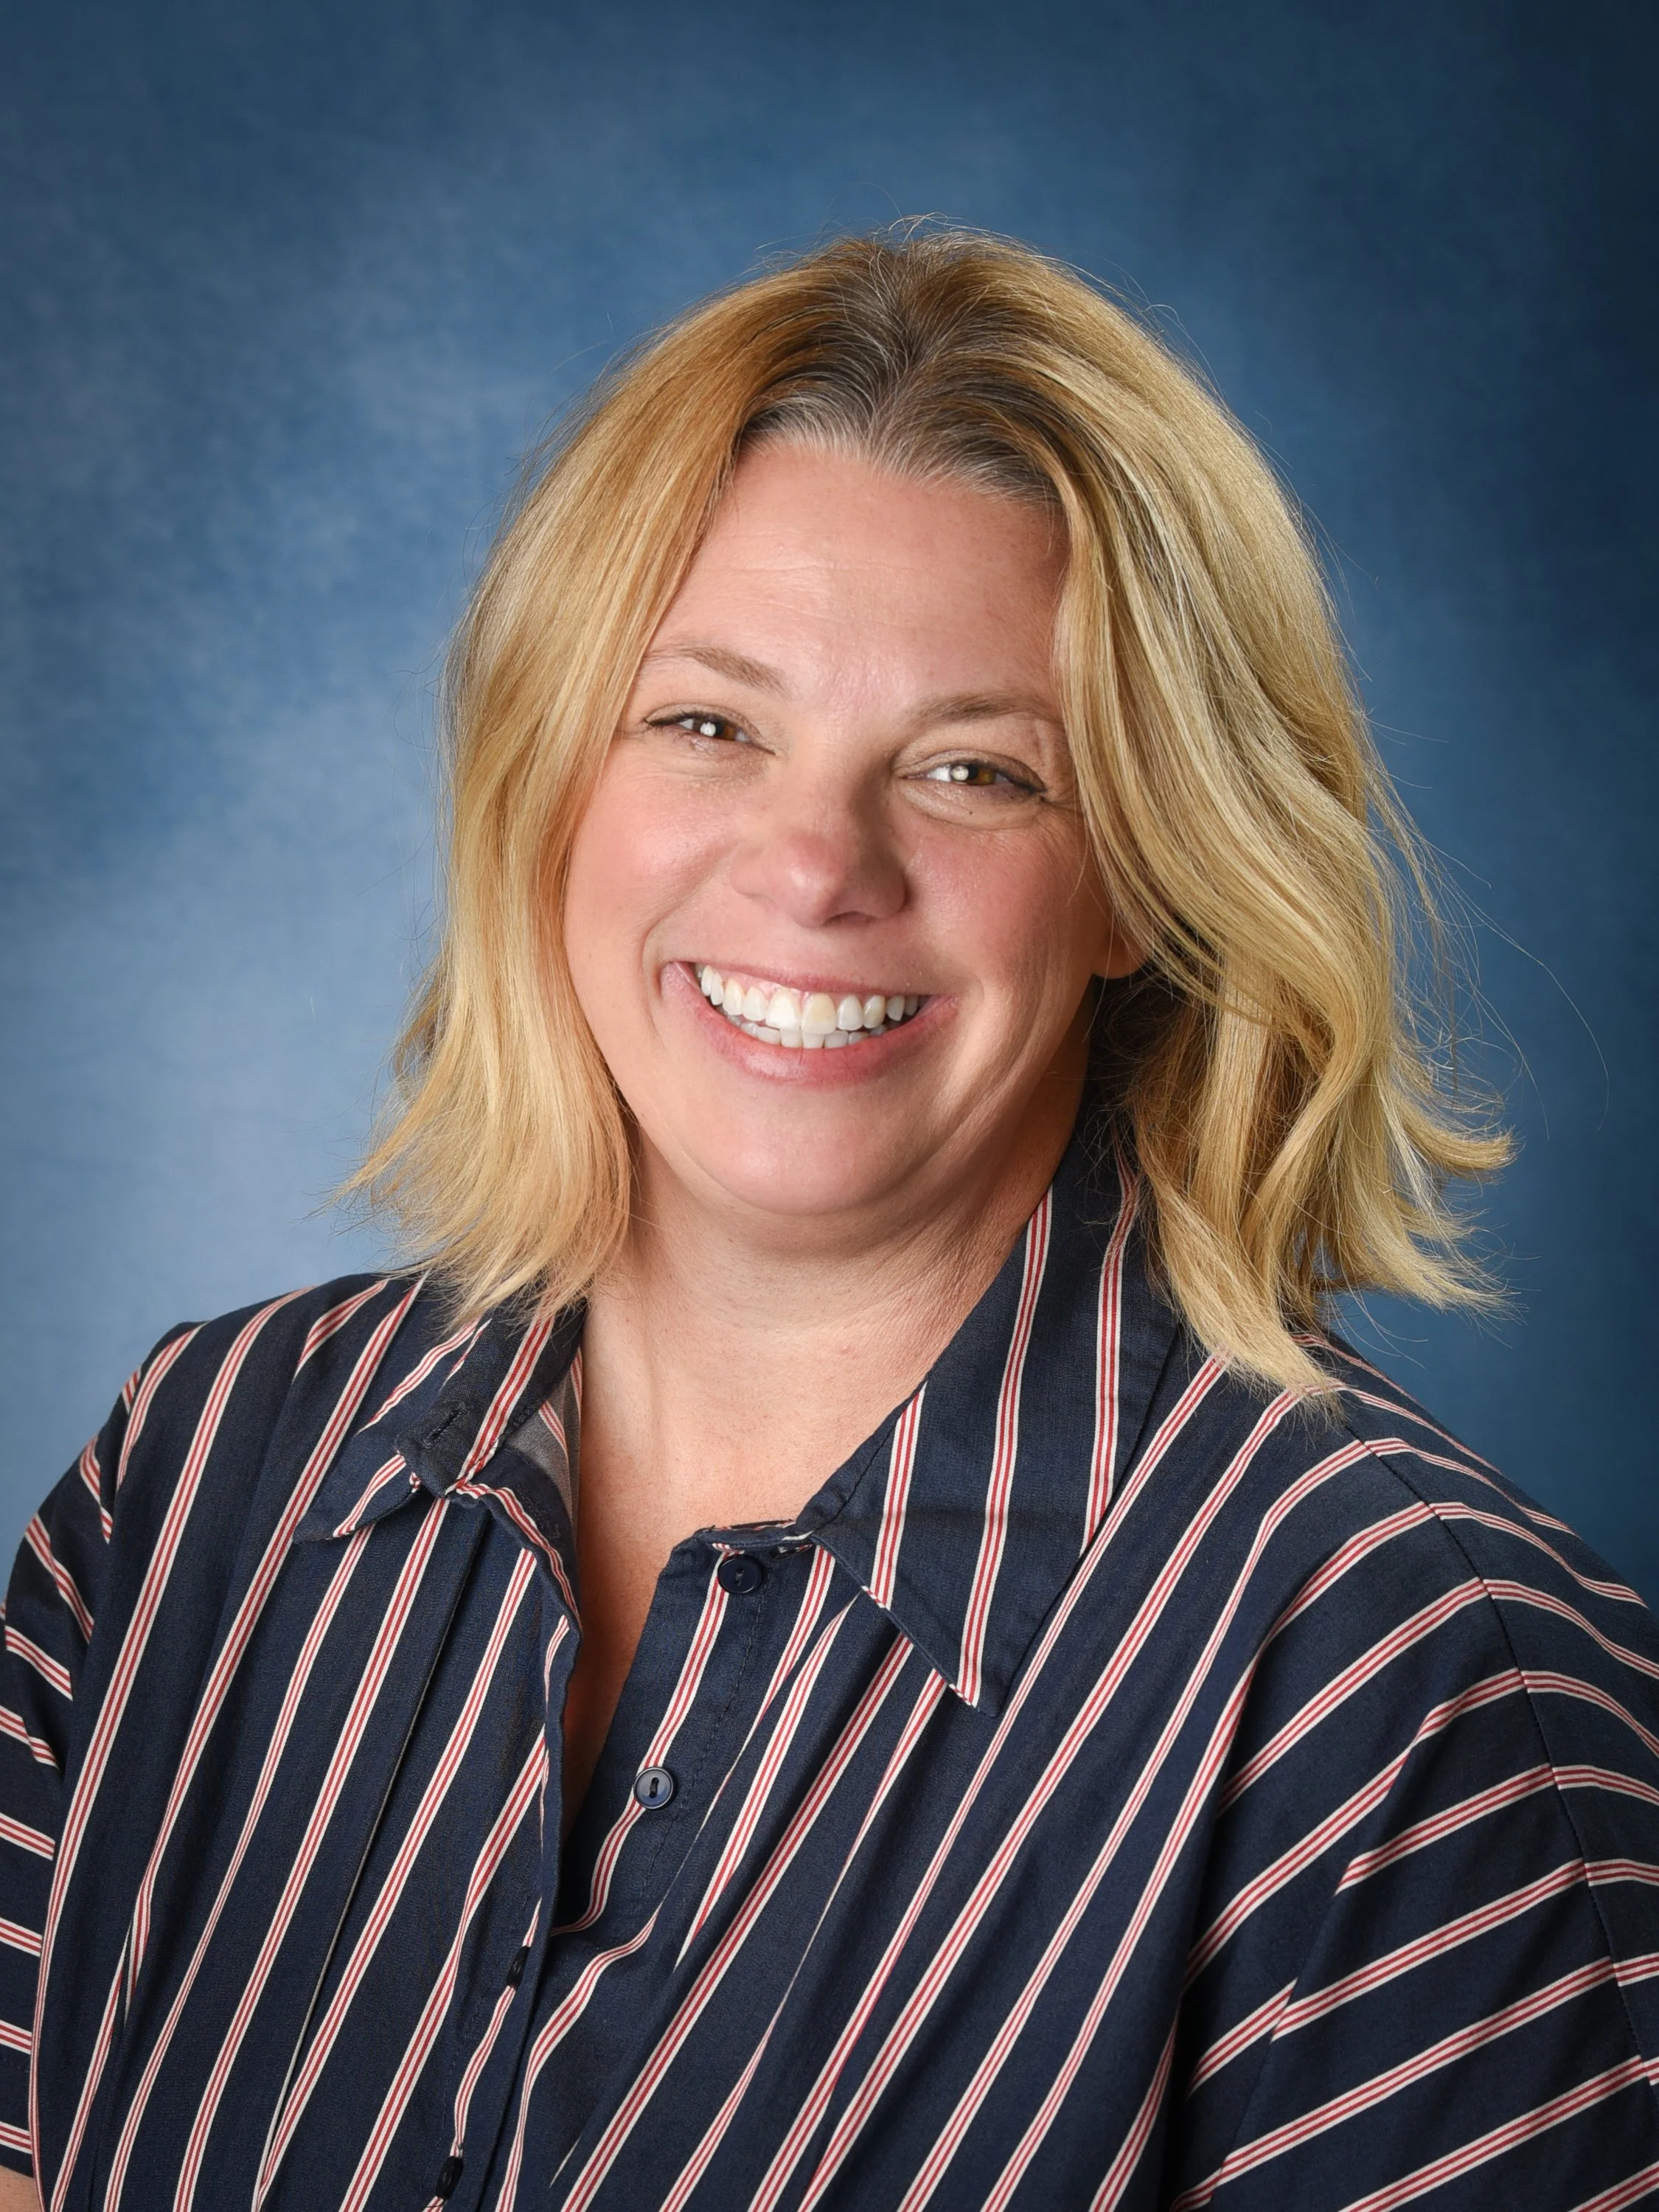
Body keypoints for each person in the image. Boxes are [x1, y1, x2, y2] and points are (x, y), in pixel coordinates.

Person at [1, 228, 1655, 2212]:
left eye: (975, 771)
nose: (814, 868)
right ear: (548, 782)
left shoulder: (1421, 1687)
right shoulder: (201, 1479)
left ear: (1147, 879)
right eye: (708, 722)